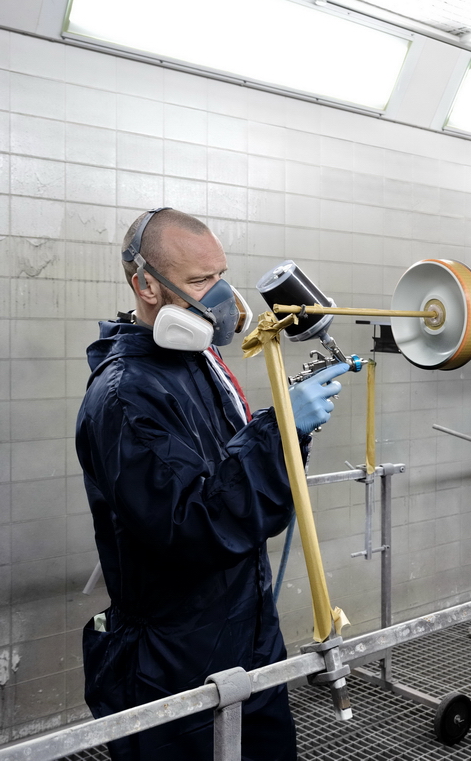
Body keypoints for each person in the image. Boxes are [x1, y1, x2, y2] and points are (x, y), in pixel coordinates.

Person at [75, 207, 346, 760]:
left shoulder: (194, 361)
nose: (221, 296)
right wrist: (280, 430)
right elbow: (195, 526)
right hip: (174, 660)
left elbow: (227, 478)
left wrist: (283, 432)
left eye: (221, 274)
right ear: (146, 286)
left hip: (246, 632)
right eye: (201, 281)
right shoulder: (126, 397)